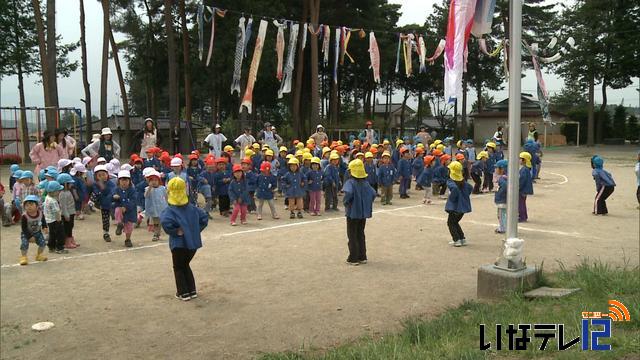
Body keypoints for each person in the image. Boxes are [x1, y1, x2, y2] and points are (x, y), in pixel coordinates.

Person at [160, 177, 209, 301]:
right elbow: (204, 218)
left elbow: (165, 222)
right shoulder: (193, 208)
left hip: (178, 244)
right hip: (192, 244)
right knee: (185, 265)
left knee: (178, 267)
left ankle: (183, 292)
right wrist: (195, 230)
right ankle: (192, 290)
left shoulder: (170, 210)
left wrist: (176, 231)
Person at [343, 159, 376, 265]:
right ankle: (362, 256)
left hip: (352, 213)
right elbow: (373, 193)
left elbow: (348, 194)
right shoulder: (366, 183)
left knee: (352, 235)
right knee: (360, 234)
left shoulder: (350, 183)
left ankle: (353, 258)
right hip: (363, 213)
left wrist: (346, 203)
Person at [444, 161, 472, 247]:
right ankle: (462, 238)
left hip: (455, 208)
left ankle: (456, 239)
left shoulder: (450, 182)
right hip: (462, 208)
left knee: (450, 223)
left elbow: (455, 190)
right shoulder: (464, 182)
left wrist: (452, 199)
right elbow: (470, 188)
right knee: (455, 222)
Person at [19, 195, 49, 265]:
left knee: (43, 243)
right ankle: (23, 257)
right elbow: (24, 228)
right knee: (24, 244)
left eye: (31, 204)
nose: (29, 207)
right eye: (26, 205)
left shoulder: (41, 214)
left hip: (37, 232)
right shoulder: (24, 216)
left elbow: (43, 221)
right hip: (26, 234)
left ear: (37, 206)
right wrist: (29, 237)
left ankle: (39, 255)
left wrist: (45, 227)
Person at [112, 170, 137, 247]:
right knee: (117, 210)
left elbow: (133, 200)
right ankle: (119, 224)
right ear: (119, 181)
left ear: (129, 181)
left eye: (126, 180)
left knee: (129, 226)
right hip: (120, 209)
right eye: (122, 180)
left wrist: (126, 207)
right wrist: (114, 197)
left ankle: (128, 239)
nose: (124, 182)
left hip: (130, 212)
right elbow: (111, 198)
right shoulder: (116, 189)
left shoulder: (132, 190)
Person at [92, 165, 116, 242]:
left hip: (112, 204)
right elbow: (96, 192)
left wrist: (104, 188)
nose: (102, 177)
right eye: (99, 175)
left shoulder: (110, 183)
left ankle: (120, 225)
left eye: (104, 174)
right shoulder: (96, 184)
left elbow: (112, 192)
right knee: (105, 220)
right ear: (96, 177)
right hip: (104, 205)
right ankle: (106, 233)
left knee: (118, 216)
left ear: (107, 175)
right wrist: (99, 190)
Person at [44, 180, 67, 254]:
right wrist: (59, 220)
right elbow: (56, 212)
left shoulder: (47, 197)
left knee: (52, 234)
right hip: (55, 220)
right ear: (54, 191)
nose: (59, 192)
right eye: (58, 191)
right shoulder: (53, 201)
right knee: (60, 234)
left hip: (49, 220)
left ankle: (51, 247)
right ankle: (60, 248)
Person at [57, 173, 79, 249]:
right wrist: (66, 215)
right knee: (67, 228)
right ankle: (67, 242)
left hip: (71, 212)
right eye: (69, 183)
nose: (71, 185)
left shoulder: (68, 192)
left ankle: (71, 239)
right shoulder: (62, 194)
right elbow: (63, 206)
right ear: (65, 184)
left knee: (70, 226)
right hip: (67, 214)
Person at [144, 170, 167, 241]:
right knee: (155, 221)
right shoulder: (148, 188)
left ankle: (157, 233)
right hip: (153, 207)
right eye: (152, 180)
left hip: (161, 207)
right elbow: (146, 195)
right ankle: (156, 233)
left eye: (155, 180)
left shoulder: (162, 188)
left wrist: (168, 204)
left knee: (160, 221)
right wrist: (150, 188)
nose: (154, 182)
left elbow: (166, 196)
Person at [518, 152, 534, 222]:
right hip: (524, 189)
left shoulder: (524, 169)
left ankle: (522, 217)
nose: (519, 160)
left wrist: (518, 187)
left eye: (520, 159)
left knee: (520, 204)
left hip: (522, 190)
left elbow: (522, 180)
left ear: (524, 160)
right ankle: (523, 216)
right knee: (522, 203)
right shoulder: (526, 168)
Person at [494, 160, 508, 234]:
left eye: (497, 168)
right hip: (505, 199)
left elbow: (504, 187)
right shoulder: (508, 177)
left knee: (501, 214)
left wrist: (500, 193)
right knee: (504, 214)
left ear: (502, 169)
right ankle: (504, 226)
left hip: (502, 200)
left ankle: (503, 228)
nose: (496, 170)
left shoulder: (502, 179)